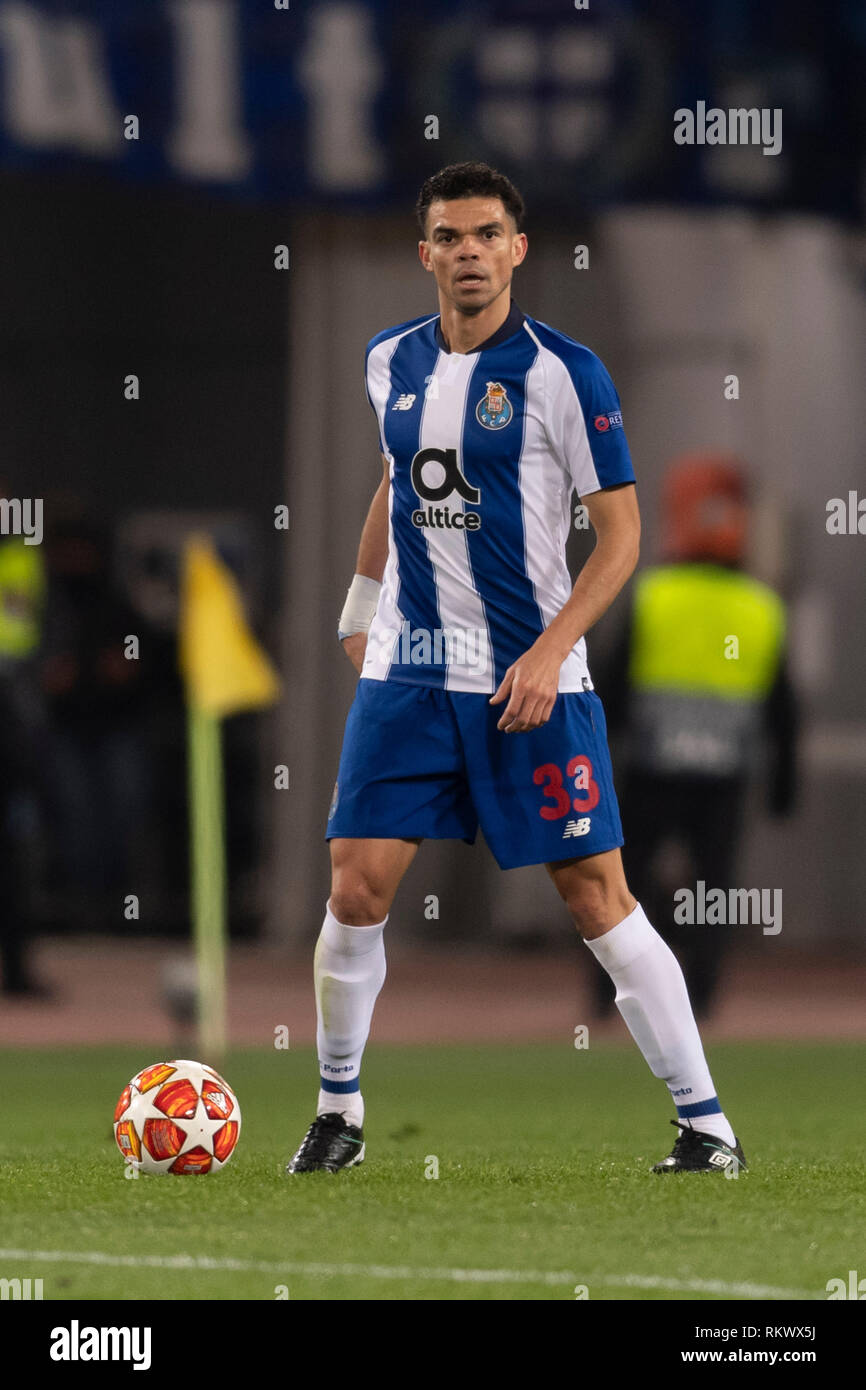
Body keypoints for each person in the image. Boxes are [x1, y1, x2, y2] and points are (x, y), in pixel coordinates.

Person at [287, 162, 745, 1177]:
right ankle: (337, 1111)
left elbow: (618, 538)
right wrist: (362, 606)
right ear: (424, 253)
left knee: (594, 897)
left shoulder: (562, 373)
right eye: (448, 236)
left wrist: (548, 651)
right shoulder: (386, 361)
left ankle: (704, 1123)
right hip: (409, 671)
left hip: (525, 681)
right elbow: (393, 481)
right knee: (355, 889)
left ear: (516, 249)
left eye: (485, 234)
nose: (467, 253)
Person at [592, 454, 798, 1019]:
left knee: (619, 884)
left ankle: (610, 995)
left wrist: (592, 759)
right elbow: (784, 708)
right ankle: (701, 1001)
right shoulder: (762, 606)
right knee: (716, 892)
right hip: (724, 778)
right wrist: (784, 784)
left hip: (651, 770)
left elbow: (611, 686)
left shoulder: (654, 594)